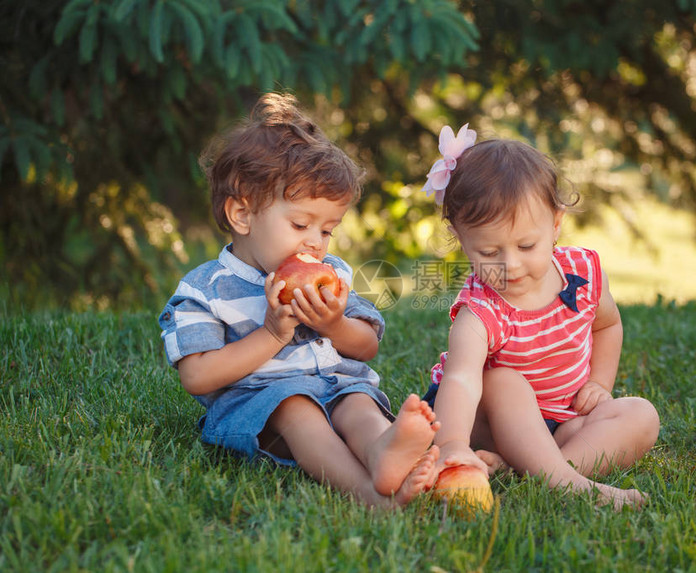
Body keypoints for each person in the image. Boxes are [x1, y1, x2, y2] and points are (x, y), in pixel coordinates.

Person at [159, 93, 440, 508]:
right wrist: (272, 334)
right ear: (243, 215)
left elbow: (367, 347)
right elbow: (197, 377)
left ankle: (381, 451)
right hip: (262, 408)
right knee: (297, 409)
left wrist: (334, 324)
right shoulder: (206, 290)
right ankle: (367, 495)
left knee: (358, 401)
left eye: (327, 230)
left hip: (337, 386)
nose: (315, 242)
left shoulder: (333, 275)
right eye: (300, 223)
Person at [420, 124, 660, 509]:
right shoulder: (480, 312)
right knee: (505, 381)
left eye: (527, 245)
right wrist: (453, 447)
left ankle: (547, 471)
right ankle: (567, 483)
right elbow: (462, 380)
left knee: (641, 415)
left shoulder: (582, 274)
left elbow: (607, 324)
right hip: (486, 423)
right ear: (460, 238)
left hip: (561, 424)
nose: (510, 264)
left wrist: (599, 383)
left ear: (556, 223)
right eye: (488, 252)